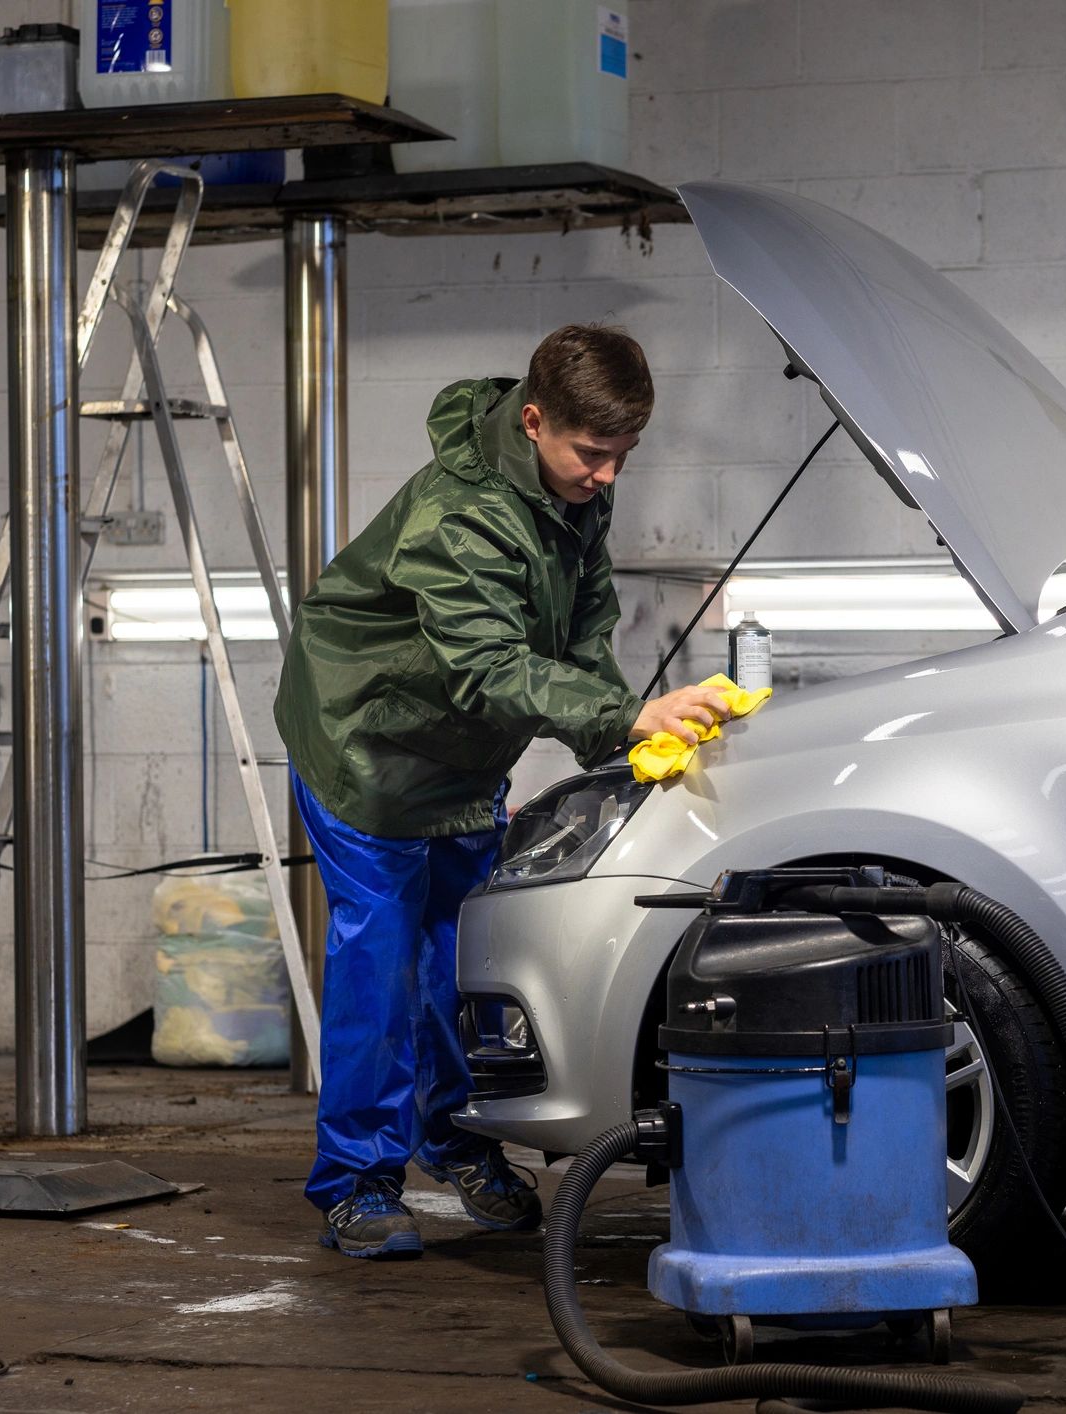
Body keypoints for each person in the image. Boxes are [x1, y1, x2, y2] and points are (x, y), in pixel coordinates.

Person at [273, 324, 735, 1259]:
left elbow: (586, 625)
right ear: (533, 422)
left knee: (463, 958)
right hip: (368, 746)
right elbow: (486, 666)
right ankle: (358, 1180)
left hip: (460, 755)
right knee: (384, 964)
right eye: (593, 452)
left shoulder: (574, 491)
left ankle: (456, 1141)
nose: (608, 473)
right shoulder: (461, 516)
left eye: (625, 454)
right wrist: (622, 716)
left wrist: (623, 735)